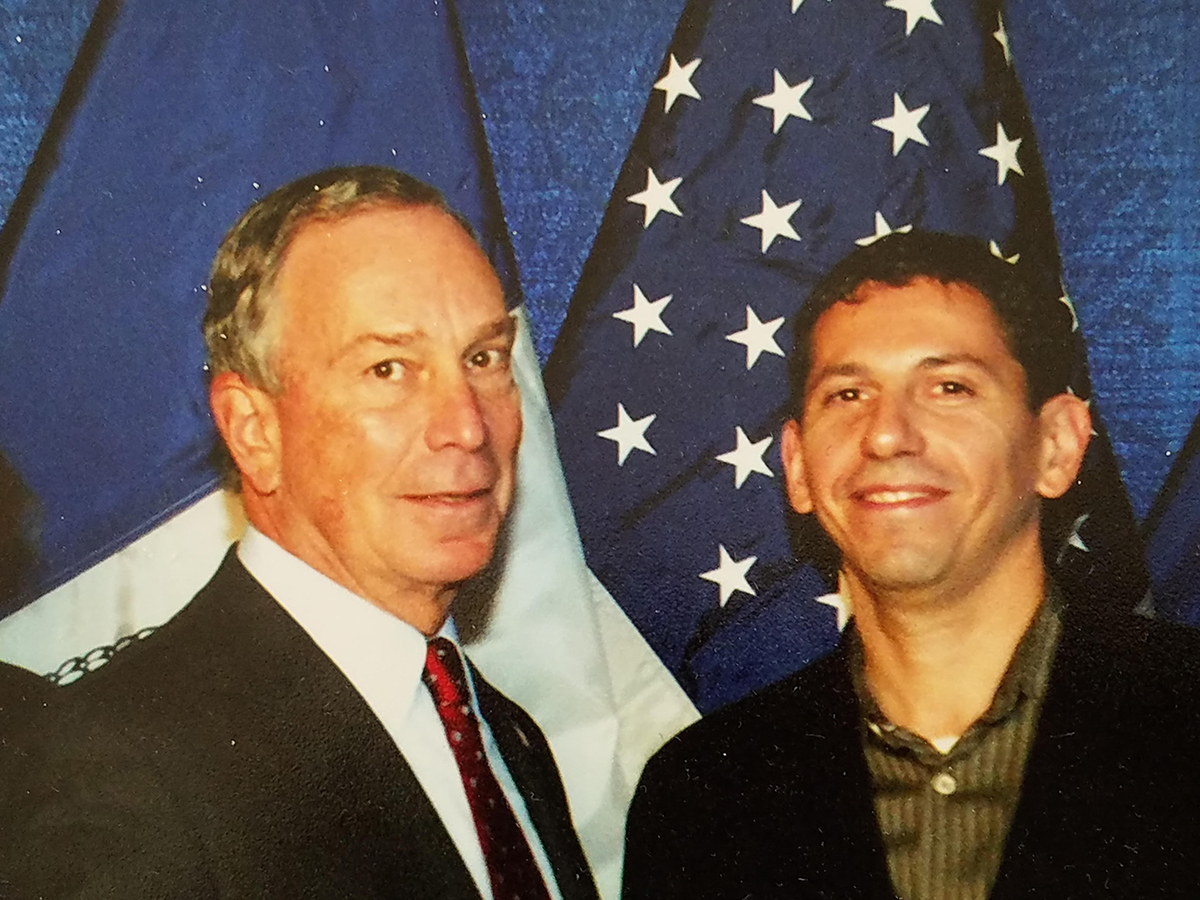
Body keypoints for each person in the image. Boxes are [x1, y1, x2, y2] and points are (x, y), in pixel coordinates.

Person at [4, 166, 599, 900]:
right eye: (389, 369)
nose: (466, 426)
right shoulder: (115, 765)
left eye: (482, 359)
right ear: (254, 432)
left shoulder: (501, 734)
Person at [622, 231, 1200, 899]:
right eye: (847, 395)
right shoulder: (702, 798)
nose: (888, 434)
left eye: (949, 387)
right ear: (799, 466)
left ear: (1056, 445)